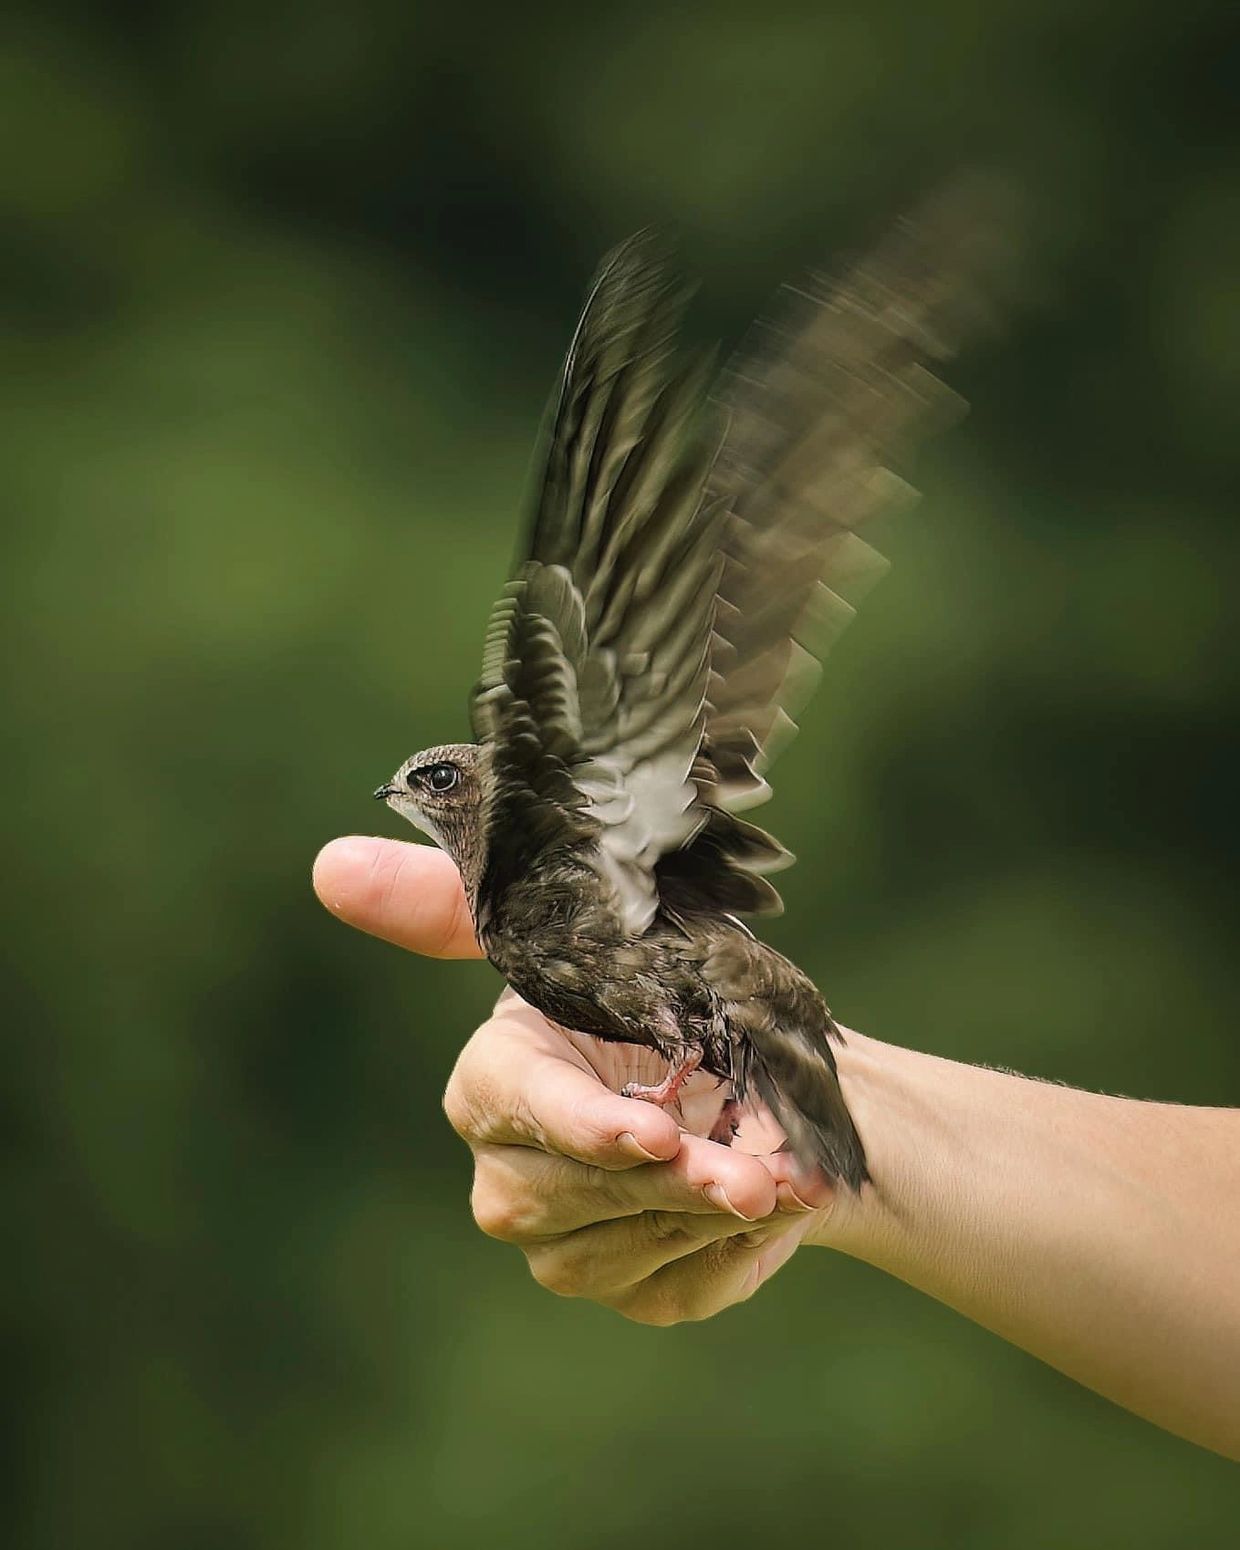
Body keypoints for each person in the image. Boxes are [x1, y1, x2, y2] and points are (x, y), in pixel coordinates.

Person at [313, 834, 1240, 1462]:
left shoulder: (553, 851)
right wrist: (846, 1118)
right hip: (725, 1031)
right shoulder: (543, 888)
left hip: (717, 1005)